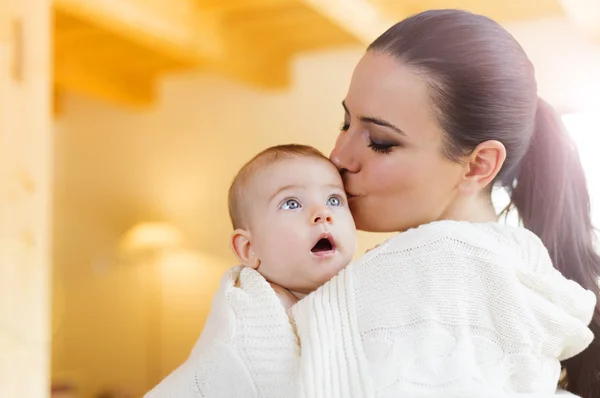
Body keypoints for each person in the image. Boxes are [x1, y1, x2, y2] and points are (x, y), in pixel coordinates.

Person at [290, 9, 600, 398]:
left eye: (381, 142)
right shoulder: (514, 275)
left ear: (478, 165)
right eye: (346, 123)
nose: (338, 157)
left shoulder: (434, 270)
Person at [145, 144, 356, 397]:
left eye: (334, 200)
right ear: (248, 249)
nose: (323, 213)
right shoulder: (250, 315)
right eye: (291, 203)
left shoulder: (365, 289)